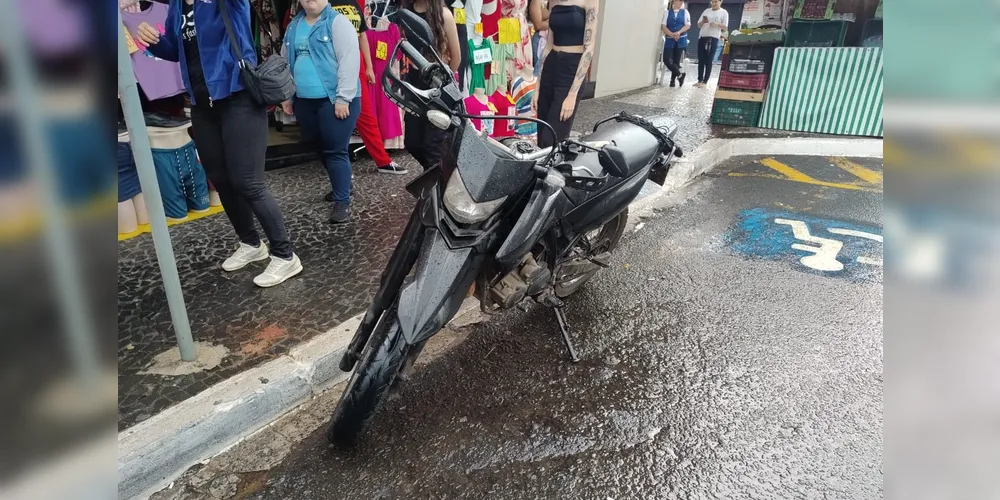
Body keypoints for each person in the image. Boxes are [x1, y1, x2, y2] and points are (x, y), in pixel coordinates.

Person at [135, 0, 302, 288]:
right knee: (220, 178)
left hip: (238, 98)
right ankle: (251, 243)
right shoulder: (177, 6)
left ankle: (285, 256)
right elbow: (175, 50)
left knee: (248, 181)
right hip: (203, 104)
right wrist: (153, 41)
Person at [281, 0, 362, 224]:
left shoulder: (338, 23)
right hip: (304, 101)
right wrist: (287, 96)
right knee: (317, 145)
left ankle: (342, 201)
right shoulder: (293, 26)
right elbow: (286, 62)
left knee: (335, 150)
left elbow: (349, 61)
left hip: (334, 99)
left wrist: (343, 98)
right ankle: (343, 184)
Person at [326, 0, 408, 187]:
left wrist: (369, 66)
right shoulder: (323, 3)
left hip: (357, 64)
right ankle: (341, 170)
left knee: (366, 114)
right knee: (333, 118)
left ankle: (383, 161)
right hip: (330, 66)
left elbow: (362, 35)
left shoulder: (354, 4)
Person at [401, 0, 462, 171]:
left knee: (432, 146)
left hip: (438, 83)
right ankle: (436, 176)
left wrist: (443, 81)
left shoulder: (444, 15)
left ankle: (436, 190)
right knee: (412, 142)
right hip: (415, 80)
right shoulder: (407, 11)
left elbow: (456, 56)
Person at [531, 0, 599, 149]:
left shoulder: (590, 2)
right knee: (542, 137)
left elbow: (589, 48)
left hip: (571, 69)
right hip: (551, 66)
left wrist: (572, 94)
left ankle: (558, 170)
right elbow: (548, 46)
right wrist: (537, 87)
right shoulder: (554, 2)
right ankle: (544, 172)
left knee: (554, 138)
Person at [695, 0, 728, 87]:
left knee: (709, 60)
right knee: (701, 59)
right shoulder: (706, 11)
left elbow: (725, 27)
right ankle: (699, 80)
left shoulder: (723, 12)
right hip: (702, 36)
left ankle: (705, 81)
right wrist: (703, 22)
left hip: (713, 38)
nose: (713, 3)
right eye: (712, 2)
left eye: (716, 2)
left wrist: (717, 24)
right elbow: (698, 25)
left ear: (720, 2)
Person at [661, 0, 690, 87]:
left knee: (676, 61)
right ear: (673, 2)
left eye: (682, 1)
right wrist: (671, 34)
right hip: (670, 39)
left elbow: (687, 25)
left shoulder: (685, 12)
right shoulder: (667, 13)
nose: (681, 2)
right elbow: (664, 26)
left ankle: (672, 81)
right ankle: (680, 75)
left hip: (681, 39)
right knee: (667, 60)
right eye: (679, 0)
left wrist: (678, 32)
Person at [528, 0, 549, 78]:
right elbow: (538, 25)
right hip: (541, 40)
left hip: (549, 40)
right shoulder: (536, 2)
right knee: (538, 71)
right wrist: (557, 22)